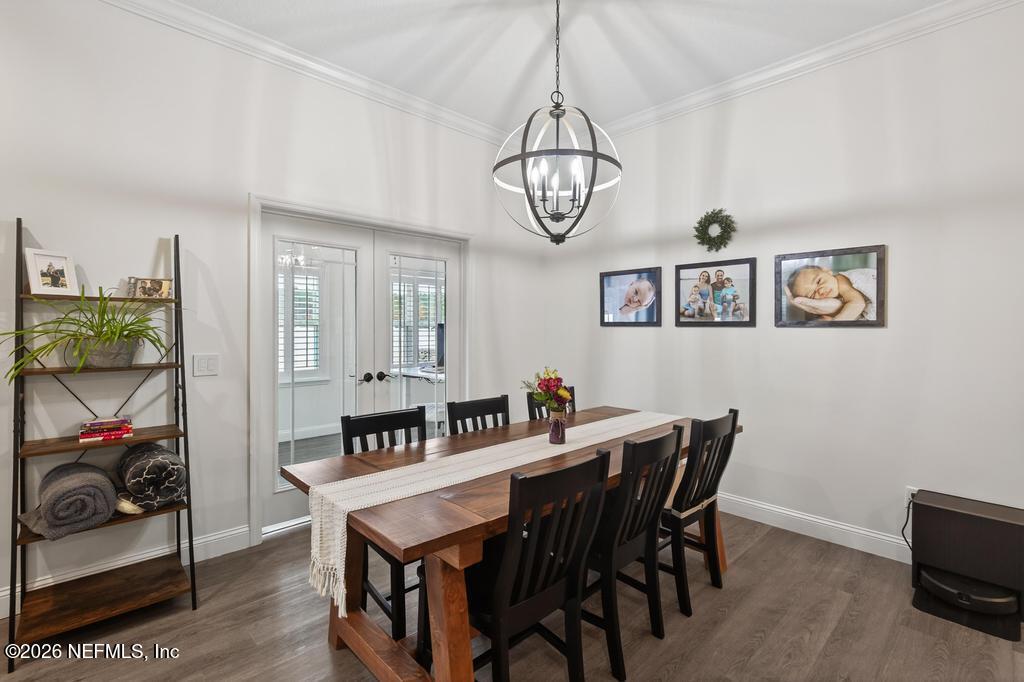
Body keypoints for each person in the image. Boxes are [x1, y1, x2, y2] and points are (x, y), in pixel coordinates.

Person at [785, 265, 877, 321]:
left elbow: (858, 304)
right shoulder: (834, 293)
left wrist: (835, 322)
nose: (820, 291)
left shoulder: (842, 280)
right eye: (812, 295)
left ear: (827, 271)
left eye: (818, 281)